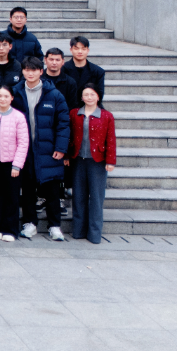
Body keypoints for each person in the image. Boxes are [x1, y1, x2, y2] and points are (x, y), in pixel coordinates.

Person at [12, 57, 70, 241]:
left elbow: (63, 123)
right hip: (25, 149)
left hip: (48, 149)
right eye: (27, 70)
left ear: (41, 72)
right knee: (28, 189)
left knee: (52, 190)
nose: (30, 73)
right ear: (22, 71)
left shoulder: (54, 94)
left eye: (34, 70)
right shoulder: (16, 93)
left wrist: (61, 147)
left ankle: (55, 226)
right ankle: (30, 223)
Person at [68, 84, 115, 244]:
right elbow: (69, 135)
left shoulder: (106, 116)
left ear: (98, 97)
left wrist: (110, 160)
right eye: (86, 94)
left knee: (96, 197)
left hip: (98, 161)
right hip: (78, 160)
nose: (89, 97)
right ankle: (78, 231)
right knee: (78, 196)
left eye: (92, 94)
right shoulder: (75, 113)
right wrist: (66, 155)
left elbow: (111, 139)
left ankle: (94, 234)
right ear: (81, 97)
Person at [0, 86, 29, 243]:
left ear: (12, 98)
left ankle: (11, 230)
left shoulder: (18, 116)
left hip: (11, 163)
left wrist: (17, 165)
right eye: (0, 96)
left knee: (11, 197)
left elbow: (23, 142)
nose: (2, 99)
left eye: (6, 96)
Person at [61, 36, 106, 104]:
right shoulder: (62, 69)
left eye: (83, 49)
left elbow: (99, 95)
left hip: (90, 106)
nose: (80, 52)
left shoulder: (98, 71)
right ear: (71, 50)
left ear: (88, 50)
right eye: (76, 48)